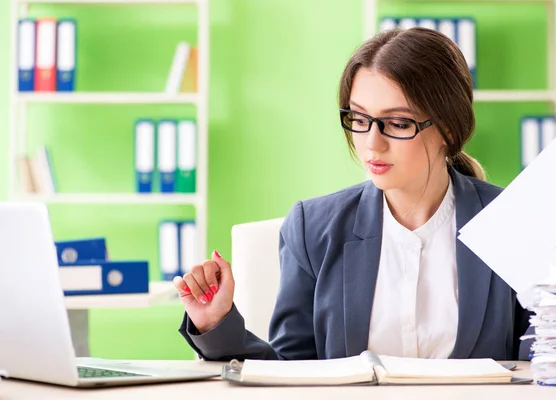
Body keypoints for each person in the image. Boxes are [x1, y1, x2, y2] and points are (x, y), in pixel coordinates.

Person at [173, 27, 532, 362]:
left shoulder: (512, 220)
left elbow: (546, 358)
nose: (372, 144)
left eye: (398, 123)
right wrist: (216, 324)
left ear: (448, 128)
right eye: (359, 120)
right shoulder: (312, 229)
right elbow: (290, 373)